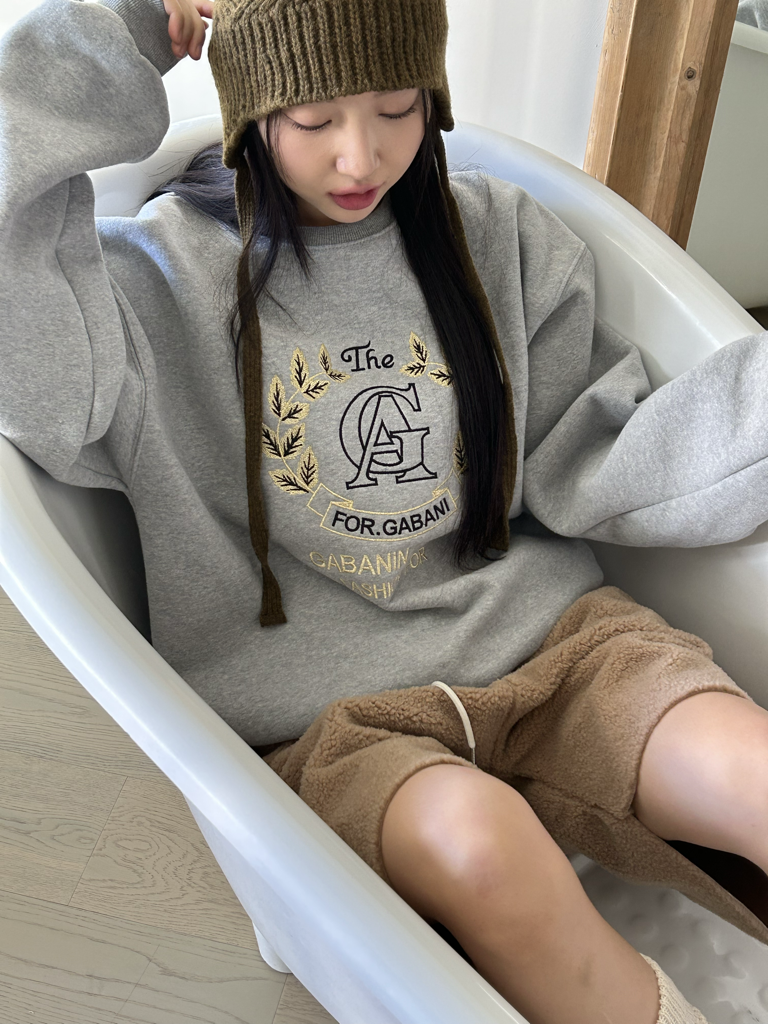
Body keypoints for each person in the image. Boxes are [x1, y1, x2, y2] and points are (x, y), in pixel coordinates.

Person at [1, 0, 767, 1019]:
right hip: (328, 720)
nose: (360, 156)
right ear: (251, 105)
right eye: (313, 119)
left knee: (753, 773)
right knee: (486, 851)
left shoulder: (501, 237)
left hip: (560, 648)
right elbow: (29, 346)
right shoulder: (151, 285)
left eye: (397, 107)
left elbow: (588, 455)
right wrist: (122, 25)